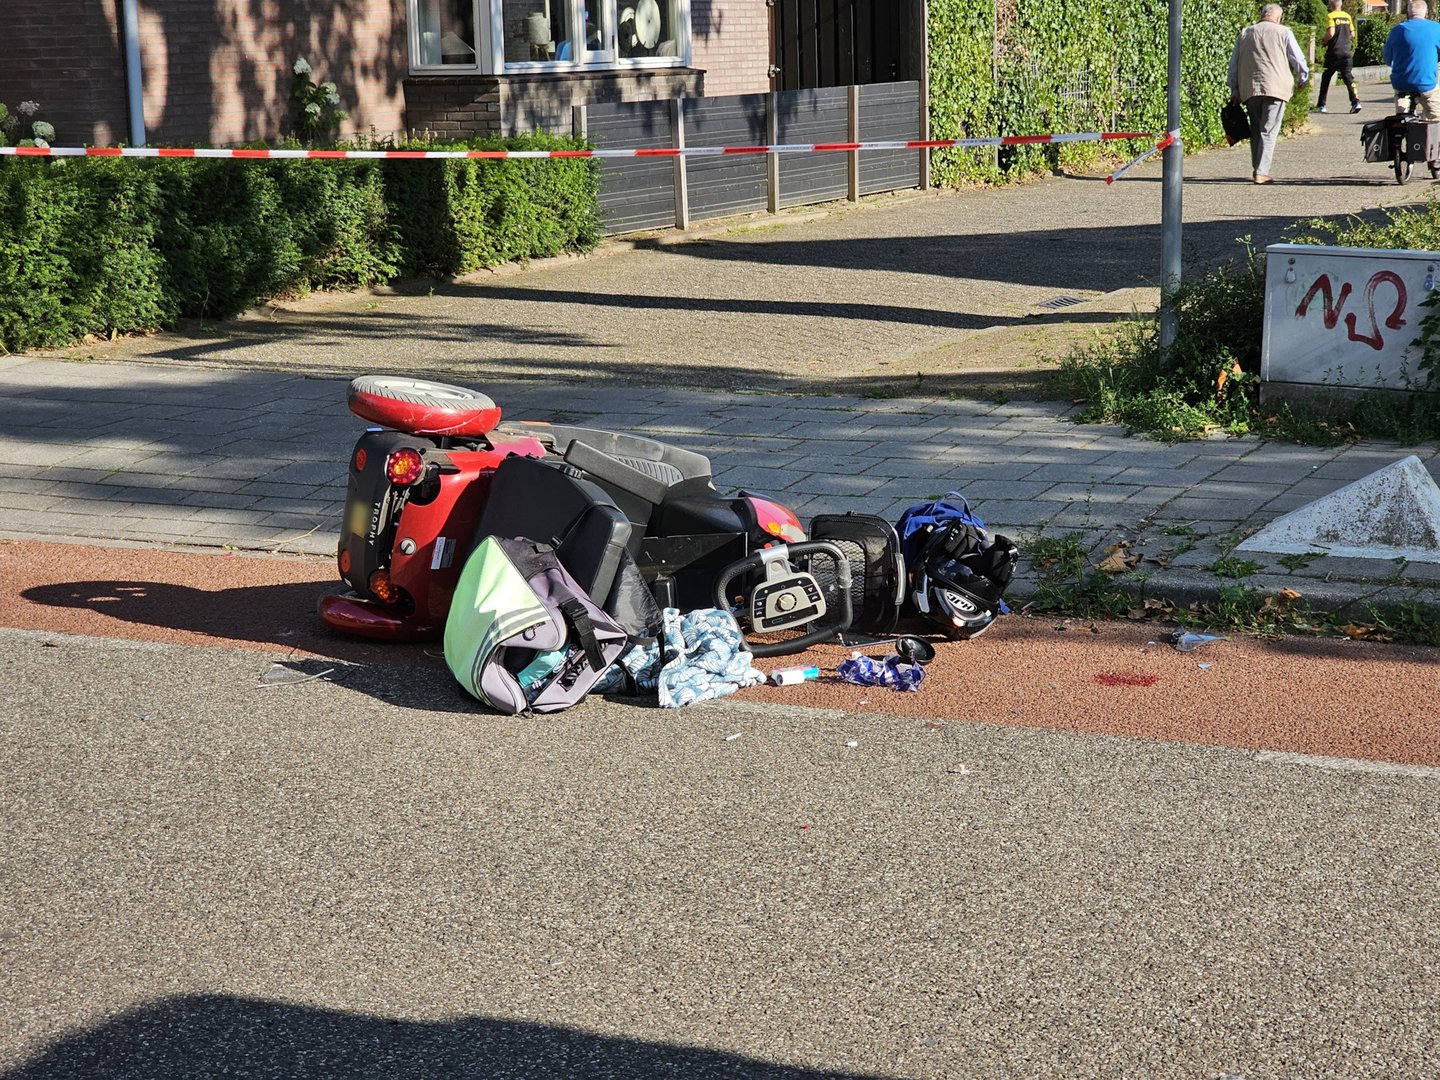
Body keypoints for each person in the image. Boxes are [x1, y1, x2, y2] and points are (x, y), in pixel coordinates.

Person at [1228, 4, 1310, 184]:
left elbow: (1233, 64)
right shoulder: (1284, 31)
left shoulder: (1245, 33)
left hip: (1250, 88)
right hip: (1276, 88)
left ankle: (1257, 169)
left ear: (1263, 15)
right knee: (1269, 131)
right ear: (1279, 18)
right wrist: (1303, 77)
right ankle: (1261, 173)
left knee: (1256, 130)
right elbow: (1297, 58)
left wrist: (1234, 89)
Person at [1384, 1, 1440, 120]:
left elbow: (1388, 58)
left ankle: (1402, 119)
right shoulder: (1436, 28)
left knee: (1401, 117)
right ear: (1426, 13)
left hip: (1401, 84)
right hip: (1426, 84)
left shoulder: (1396, 30)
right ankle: (1430, 124)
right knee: (1435, 117)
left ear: (1408, 13)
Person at [1316, 0, 1361, 114]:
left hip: (1334, 53)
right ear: (1340, 4)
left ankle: (1322, 105)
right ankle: (1356, 102)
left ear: (1330, 5)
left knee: (1326, 78)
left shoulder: (1330, 16)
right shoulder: (1347, 16)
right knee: (1348, 78)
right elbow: (1352, 34)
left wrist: (1324, 40)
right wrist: (1344, 39)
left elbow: (1331, 33)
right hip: (1346, 53)